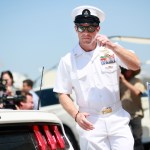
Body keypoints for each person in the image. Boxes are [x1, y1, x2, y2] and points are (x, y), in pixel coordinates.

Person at [53, 5, 141, 150]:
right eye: (82, 28)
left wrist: (113, 46)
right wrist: (76, 115)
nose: (86, 32)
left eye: (91, 28)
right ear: (76, 29)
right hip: (90, 122)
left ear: (98, 29)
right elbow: (63, 93)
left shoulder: (111, 50)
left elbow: (135, 65)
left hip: (117, 117)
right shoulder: (67, 60)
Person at [120, 67, 145, 150]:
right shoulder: (119, 82)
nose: (127, 72)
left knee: (137, 139)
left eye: (129, 70)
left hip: (135, 115)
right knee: (123, 140)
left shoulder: (137, 81)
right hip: (123, 116)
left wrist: (124, 81)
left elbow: (137, 92)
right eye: (125, 70)